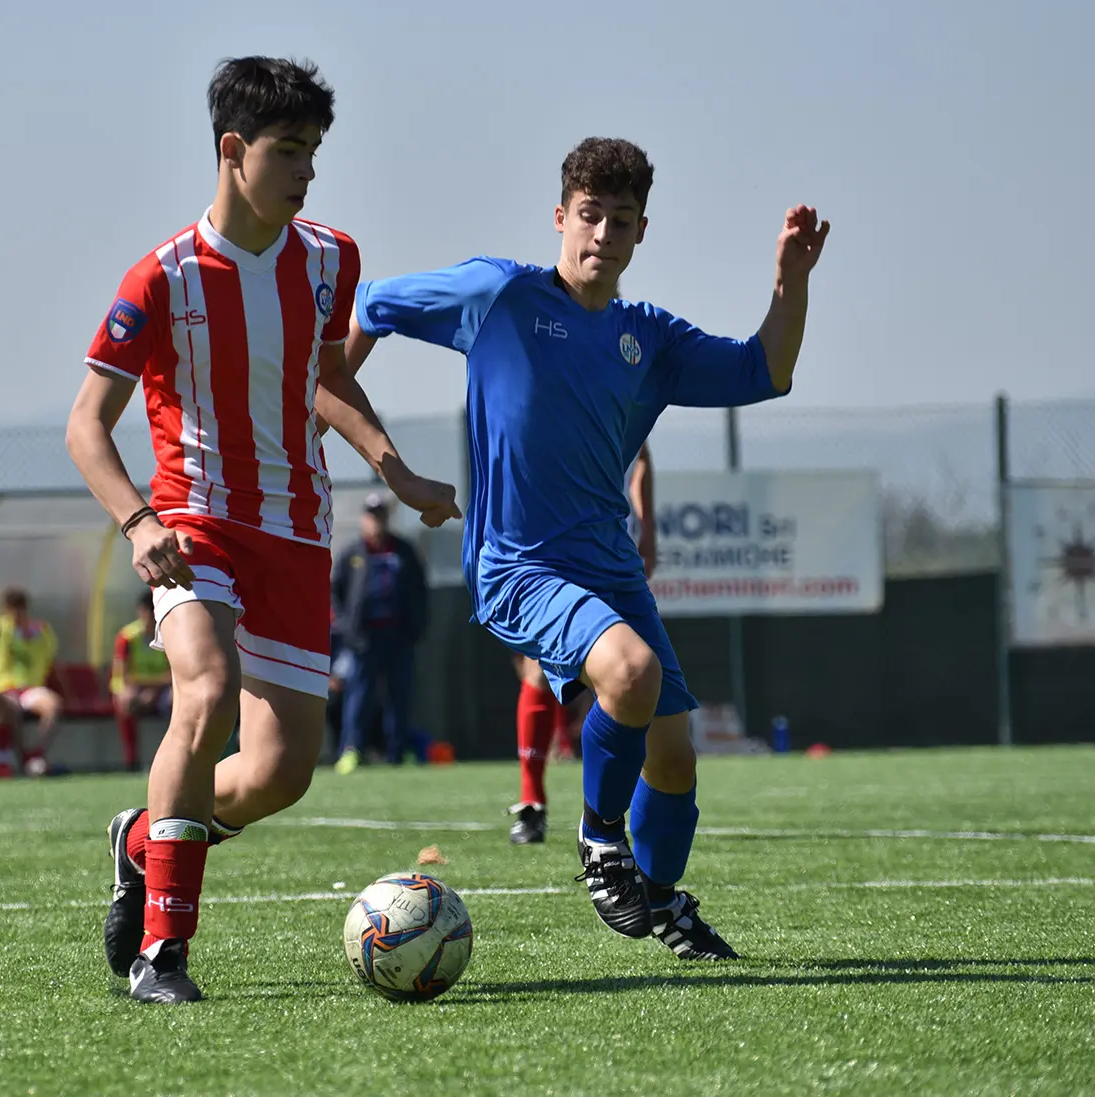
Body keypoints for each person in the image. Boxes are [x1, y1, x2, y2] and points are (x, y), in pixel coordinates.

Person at [347, 136, 829, 960]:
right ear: (561, 217)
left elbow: (765, 370)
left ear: (643, 232)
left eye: (623, 220)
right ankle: (600, 838)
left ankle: (665, 901)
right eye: (590, 215)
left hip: (608, 565)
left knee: (675, 758)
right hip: (518, 564)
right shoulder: (498, 294)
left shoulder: (652, 340)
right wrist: (378, 455)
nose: (603, 233)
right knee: (631, 675)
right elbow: (364, 311)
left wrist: (791, 280)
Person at [65, 55, 457, 1005]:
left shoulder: (329, 258)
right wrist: (135, 519)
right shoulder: (160, 278)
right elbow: (87, 425)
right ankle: (165, 954)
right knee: (203, 694)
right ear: (233, 152)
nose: (307, 171)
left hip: (295, 533)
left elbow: (323, 377)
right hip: (190, 524)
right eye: (289, 151)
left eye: (315, 151)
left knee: (280, 774)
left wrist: (390, 464)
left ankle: (139, 839)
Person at [509, 440, 654, 844]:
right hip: (553, 551)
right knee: (538, 667)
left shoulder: (624, 380)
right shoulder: (543, 393)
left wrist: (649, 528)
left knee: (628, 676)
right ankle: (532, 802)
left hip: (613, 555)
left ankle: (609, 813)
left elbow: (642, 456)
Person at [331, 492, 428, 773]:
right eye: (372, 515)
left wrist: (418, 626)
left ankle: (396, 751)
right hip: (364, 639)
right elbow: (337, 591)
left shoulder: (404, 551)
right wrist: (348, 626)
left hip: (398, 636)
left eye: (381, 515)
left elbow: (420, 591)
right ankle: (352, 750)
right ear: (365, 519)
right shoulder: (353, 554)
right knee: (359, 697)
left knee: (400, 696)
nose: (376, 521)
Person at [0, 587, 61, 778]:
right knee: (9, 708)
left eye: (20, 608)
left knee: (53, 706)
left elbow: (51, 657)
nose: (16, 613)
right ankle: (9, 758)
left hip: (30, 687)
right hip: (2, 687)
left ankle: (36, 754)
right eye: (12, 608)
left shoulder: (41, 629)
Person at [110, 594, 173, 773]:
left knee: (180, 701)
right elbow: (123, 676)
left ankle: (172, 760)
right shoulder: (127, 637)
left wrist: (154, 689)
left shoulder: (168, 633)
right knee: (126, 701)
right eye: (147, 611)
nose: (150, 617)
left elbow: (173, 673)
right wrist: (151, 686)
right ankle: (132, 760)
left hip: (160, 690)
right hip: (137, 689)